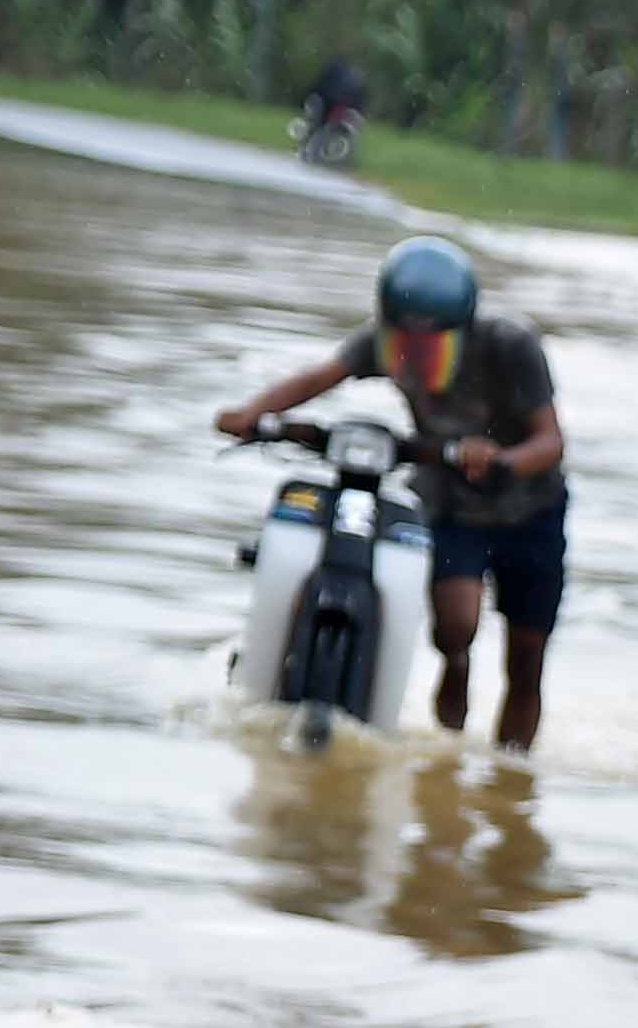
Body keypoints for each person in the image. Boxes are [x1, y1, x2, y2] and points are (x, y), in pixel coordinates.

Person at [211, 235, 570, 751]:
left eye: (431, 346)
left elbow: (551, 441)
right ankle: (453, 711)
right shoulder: (382, 343)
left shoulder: (512, 347)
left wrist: (501, 461)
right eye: (405, 343)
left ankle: (511, 768)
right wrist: (254, 413)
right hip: (450, 503)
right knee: (455, 627)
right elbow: (321, 376)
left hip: (531, 509)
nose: (416, 357)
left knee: (527, 656)